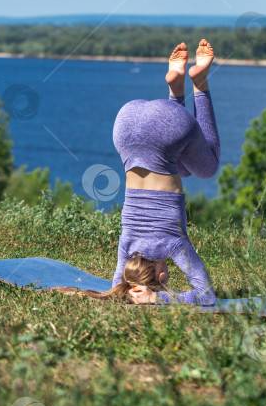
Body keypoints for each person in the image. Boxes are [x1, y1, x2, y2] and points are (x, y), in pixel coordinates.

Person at [53, 39, 220, 306]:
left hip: (167, 127)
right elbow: (118, 286)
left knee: (207, 168)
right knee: (183, 168)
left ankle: (198, 83)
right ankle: (175, 86)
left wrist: (157, 297)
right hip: (126, 121)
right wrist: (130, 289)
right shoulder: (126, 245)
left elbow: (206, 296)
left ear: (162, 274)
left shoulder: (174, 246)